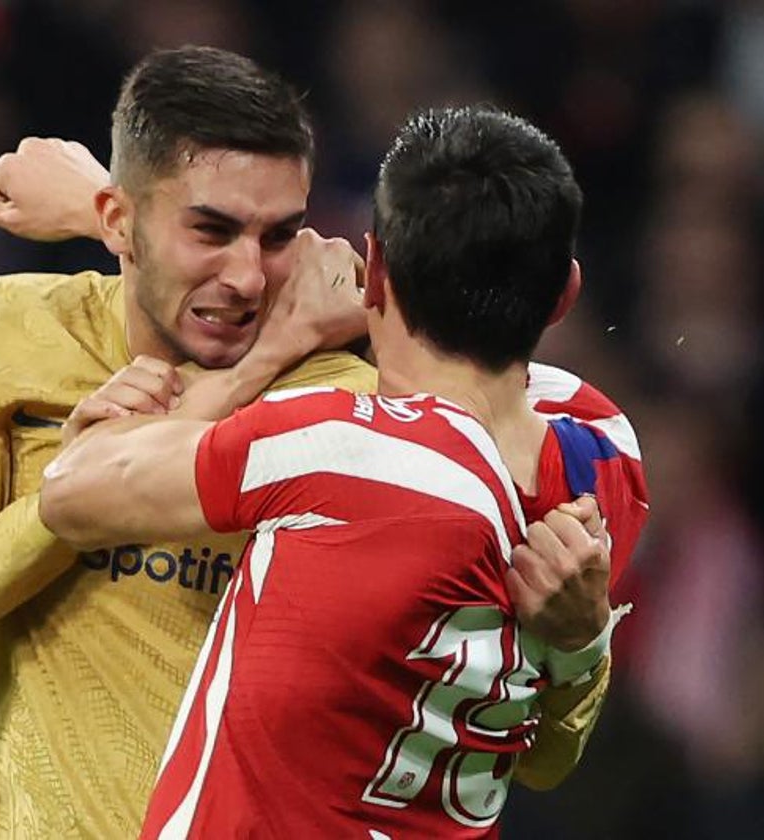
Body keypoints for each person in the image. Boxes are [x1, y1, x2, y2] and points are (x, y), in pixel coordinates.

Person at [0, 46, 621, 837]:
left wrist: (581, 648)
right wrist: (59, 509)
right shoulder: (14, 328)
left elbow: (522, 749)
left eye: (279, 237)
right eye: (211, 229)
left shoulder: (355, 417)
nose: (247, 277)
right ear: (118, 221)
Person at [37, 104, 648, 837]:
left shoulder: (344, 452)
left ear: (377, 269)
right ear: (565, 296)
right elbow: (545, 761)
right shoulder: (606, 456)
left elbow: (69, 491)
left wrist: (278, 341)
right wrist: (582, 644)